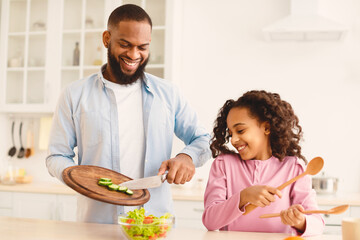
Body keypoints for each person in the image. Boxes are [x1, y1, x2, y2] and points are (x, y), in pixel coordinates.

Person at [46, 4, 211, 224]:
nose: (134, 55)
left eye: (142, 47)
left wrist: (186, 157)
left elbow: (203, 140)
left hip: (153, 224)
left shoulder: (169, 94)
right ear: (107, 39)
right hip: (96, 224)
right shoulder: (74, 95)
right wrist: (79, 178)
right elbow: (56, 156)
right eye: (125, 45)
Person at [202, 90, 324, 237]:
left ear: (266, 128)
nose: (233, 140)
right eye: (231, 133)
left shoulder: (293, 167)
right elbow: (210, 221)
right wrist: (243, 196)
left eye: (240, 130)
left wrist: (300, 221)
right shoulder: (223, 164)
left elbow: (317, 222)